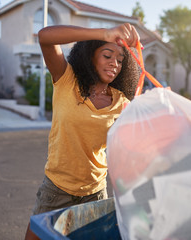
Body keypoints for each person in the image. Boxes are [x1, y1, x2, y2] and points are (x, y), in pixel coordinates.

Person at [24, 23, 140, 240]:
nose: (115, 63)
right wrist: (104, 33)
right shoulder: (66, 79)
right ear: (90, 56)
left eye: (120, 60)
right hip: (57, 190)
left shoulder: (122, 101)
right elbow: (45, 37)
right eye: (107, 55)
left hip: (95, 193)